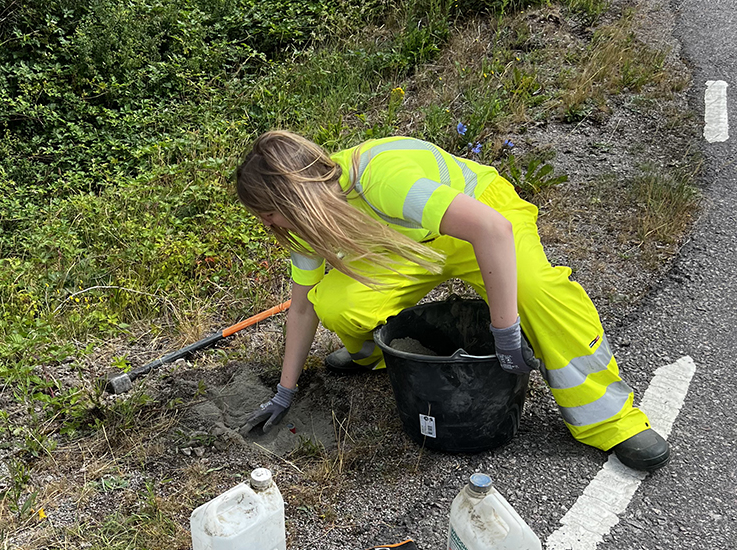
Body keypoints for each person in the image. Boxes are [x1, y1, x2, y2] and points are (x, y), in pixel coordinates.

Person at [236, 130, 669, 472]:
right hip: (410, 244)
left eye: (267, 214)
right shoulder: (311, 221)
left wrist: (505, 330)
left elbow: (491, 231)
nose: (265, 224)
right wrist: (284, 391)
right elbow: (303, 306)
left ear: (293, 199)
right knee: (336, 301)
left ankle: (611, 422)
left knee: (538, 292)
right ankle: (376, 357)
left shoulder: (382, 179)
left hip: (483, 218)